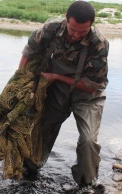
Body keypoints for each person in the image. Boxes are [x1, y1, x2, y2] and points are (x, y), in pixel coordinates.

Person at [19, 1, 109, 193]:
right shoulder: (50, 30)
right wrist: (20, 84)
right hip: (56, 90)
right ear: (66, 19)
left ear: (92, 24)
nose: (76, 35)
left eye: (82, 32)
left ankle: (86, 184)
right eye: (72, 29)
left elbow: (93, 85)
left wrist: (57, 76)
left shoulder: (99, 44)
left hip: (88, 94)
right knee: (43, 128)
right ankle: (31, 170)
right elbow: (28, 53)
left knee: (88, 140)